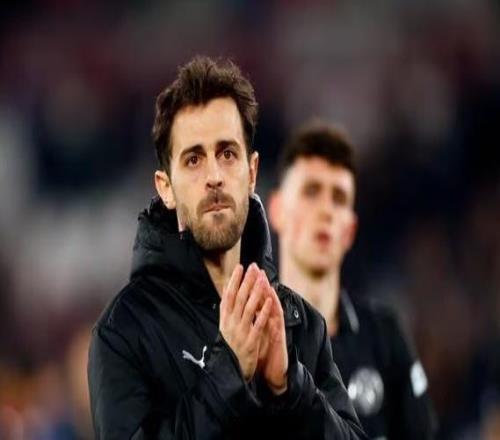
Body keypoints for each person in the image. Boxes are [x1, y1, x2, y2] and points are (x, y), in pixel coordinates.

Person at [87, 57, 366, 440]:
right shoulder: (124, 333)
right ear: (166, 188)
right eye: (193, 159)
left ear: (251, 172)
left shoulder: (300, 324)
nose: (214, 176)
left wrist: (290, 389)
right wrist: (228, 373)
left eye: (227, 154)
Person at [268, 122, 437, 439]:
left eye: (339, 198)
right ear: (276, 210)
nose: (326, 211)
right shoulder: (251, 338)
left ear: (349, 230)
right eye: (311, 191)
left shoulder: (384, 336)